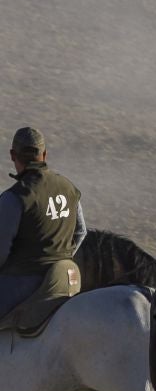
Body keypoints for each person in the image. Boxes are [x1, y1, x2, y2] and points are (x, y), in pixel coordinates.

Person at [0, 127, 85, 325]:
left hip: (24, 283)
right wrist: (61, 256)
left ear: (13, 155)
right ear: (44, 154)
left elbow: (1, 252)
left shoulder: (15, 197)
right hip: (67, 280)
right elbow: (81, 232)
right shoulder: (68, 187)